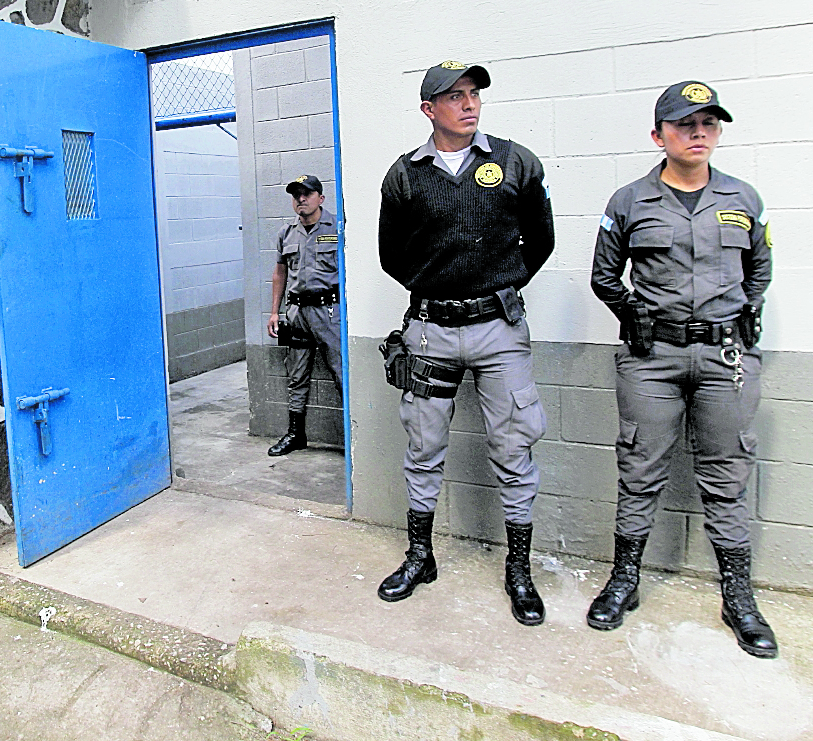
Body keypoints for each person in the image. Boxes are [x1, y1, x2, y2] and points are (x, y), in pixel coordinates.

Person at [588, 81, 776, 658]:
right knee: (640, 467)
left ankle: (738, 597)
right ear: (658, 135)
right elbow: (603, 275)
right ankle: (625, 579)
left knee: (726, 474)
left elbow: (761, 270)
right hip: (653, 358)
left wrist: (745, 316)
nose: (699, 134)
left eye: (709, 125)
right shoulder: (628, 202)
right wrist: (633, 314)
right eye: (685, 124)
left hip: (726, 357)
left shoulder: (743, 199)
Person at [376, 61, 554, 626]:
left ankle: (518, 569)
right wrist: (440, 288)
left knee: (514, 446)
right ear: (429, 110)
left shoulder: (514, 161)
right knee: (424, 445)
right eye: (453, 97)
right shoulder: (404, 176)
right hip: (430, 328)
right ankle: (420, 556)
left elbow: (540, 240)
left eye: (473, 93)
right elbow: (391, 257)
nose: (468, 103)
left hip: (499, 329)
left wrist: (493, 286)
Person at [265, 175, 343, 457]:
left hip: (329, 313)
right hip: (297, 313)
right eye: (296, 195)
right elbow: (280, 273)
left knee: (341, 371)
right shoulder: (286, 233)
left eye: (307, 194)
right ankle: (296, 434)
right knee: (296, 375)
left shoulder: (338, 227)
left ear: (320, 198)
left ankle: (353, 437)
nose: (301, 199)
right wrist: (275, 312)